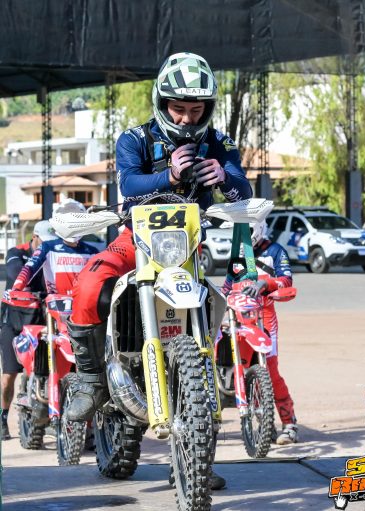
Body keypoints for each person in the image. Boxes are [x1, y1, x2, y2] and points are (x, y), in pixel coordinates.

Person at [65, 52, 252, 489]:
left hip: (186, 246)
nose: (187, 118)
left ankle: (197, 457)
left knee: (215, 314)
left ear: (208, 108)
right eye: (179, 108)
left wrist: (222, 176)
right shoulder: (133, 138)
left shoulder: (220, 143)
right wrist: (169, 174)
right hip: (136, 239)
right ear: (162, 103)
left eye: (196, 110)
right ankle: (91, 381)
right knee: (89, 282)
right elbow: (129, 183)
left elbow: (242, 187)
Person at [221, 220, 298, 444]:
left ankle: (289, 422)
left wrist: (265, 285)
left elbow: (286, 280)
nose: (244, 236)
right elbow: (226, 288)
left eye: (247, 231)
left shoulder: (275, 251)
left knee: (270, 370)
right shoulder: (237, 257)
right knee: (229, 366)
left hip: (265, 318)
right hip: (238, 320)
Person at [0, 221, 52, 439]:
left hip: (42, 319)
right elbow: (14, 274)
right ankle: (3, 417)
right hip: (13, 319)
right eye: (43, 242)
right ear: (34, 238)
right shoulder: (17, 252)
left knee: (53, 368)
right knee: (9, 375)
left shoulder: (51, 253)